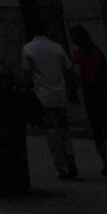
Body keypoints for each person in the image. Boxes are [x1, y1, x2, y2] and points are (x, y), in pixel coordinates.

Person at [67, 25, 107, 177]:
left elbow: (77, 77)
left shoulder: (77, 55)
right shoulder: (97, 52)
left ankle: (106, 163)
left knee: (97, 131)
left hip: (90, 95)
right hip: (103, 94)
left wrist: (73, 90)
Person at [22, 25, 80, 180]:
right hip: (60, 94)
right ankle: (70, 157)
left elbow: (27, 76)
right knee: (64, 129)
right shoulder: (57, 47)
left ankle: (62, 166)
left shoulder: (28, 49)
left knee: (52, 132)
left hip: (43, 96)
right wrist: (71, 89)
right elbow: (69, 69)